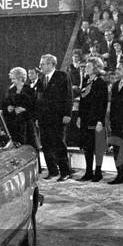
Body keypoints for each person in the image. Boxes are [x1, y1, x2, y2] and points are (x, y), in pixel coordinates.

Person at [36, 53, 73, 181]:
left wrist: (67, 114)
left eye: (43, 63)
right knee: (45, 145)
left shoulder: (62, 76)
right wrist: (37, 117)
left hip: (58, 117)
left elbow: (68, 96)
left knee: (58, 144)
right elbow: (39, 99)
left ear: (51, 64)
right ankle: (53, 171)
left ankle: (65, 172)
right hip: (43, 118)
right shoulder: (41, 79)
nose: (40, 66)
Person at [75, 57, 108, 183]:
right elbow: (82, 101)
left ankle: (98, 172)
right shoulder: (86, 81)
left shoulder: (100, 83)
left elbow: (102, 104)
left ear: (95, 68)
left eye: (88, 67)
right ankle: (88, 171)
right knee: (87, 146)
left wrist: (100, 121)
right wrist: (79, 116)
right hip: (85, 119)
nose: (85, 69)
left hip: (96, 119)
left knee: (97, 147)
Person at [3, 67, 36, 147]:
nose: (12, 81)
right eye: (12, 79)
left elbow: (33, 106)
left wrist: (24, 109)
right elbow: (5, 103)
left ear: (20, 78)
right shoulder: (11, 89)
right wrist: (8, 107)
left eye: (14, 79)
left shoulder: (29, 89)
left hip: (25, 123)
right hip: (13, 121)